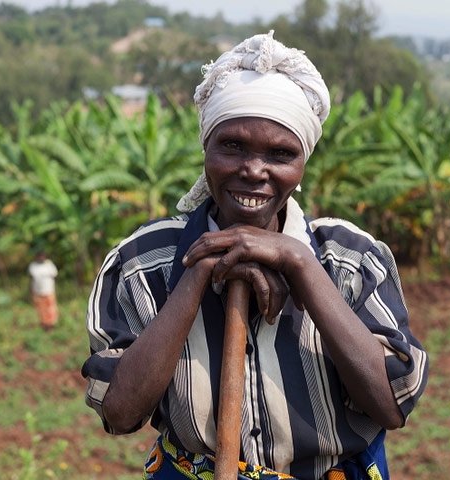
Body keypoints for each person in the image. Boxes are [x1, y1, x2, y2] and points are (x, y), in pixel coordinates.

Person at [82, 32, 428, 480]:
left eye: (281, 154)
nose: (254, 170)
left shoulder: (348, 259)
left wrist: (300, 264)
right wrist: (201, 268)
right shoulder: (143, 263)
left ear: (302, 165)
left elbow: (391, 405)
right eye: (233, 146)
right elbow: (121, 413)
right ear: (205, 147)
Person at [28, 251, 58, 330]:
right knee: (41, 309)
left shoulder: (49, 265)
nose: (41, 258)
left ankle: (51, 325)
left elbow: (55, 275)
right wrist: (29, 291)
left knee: (50, 309)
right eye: (39, 256)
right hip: (37, 291)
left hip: (48, 290)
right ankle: (44, 324)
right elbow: (30, 278)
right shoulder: (33, 266)